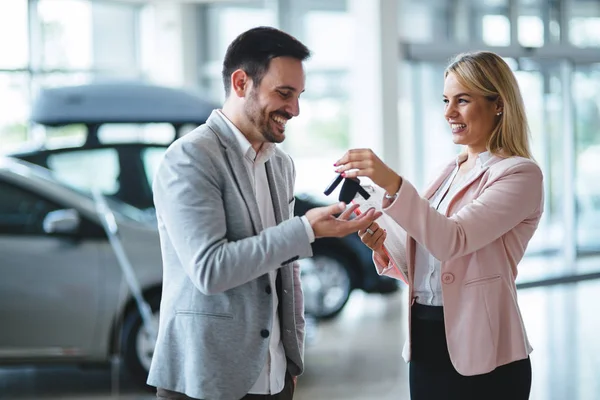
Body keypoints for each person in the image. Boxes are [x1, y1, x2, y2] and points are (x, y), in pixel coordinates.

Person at [146, 26, 380, 400]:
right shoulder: (189, 158)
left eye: (299, 96)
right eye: (284, 93)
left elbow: (287, 272)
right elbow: (211, 269)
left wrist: (292, 358)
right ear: (241, 83)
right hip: (206, 378)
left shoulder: (280, 165)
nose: (295, 109)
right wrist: (306, 230)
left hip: (274, 379)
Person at [334, 51, 543, 400]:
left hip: (487, 354)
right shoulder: (448, 171)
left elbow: (453, 240)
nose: (449, 113)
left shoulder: (519, 174)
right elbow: (429, 252)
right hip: (426, 341)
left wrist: (392, 182)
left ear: (498, 105)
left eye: (463, 100)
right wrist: (385, 244)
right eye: (446, 100)